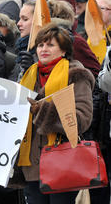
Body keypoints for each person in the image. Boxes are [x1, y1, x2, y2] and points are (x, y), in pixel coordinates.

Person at [19, 22, 95, 204]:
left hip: (63, 163)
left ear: (63, 50)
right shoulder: (29, 74)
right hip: (31, 166)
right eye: (40, 45)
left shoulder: (76, 75)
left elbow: (82, 119)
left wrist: (43, 111)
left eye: (50, 45)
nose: (44, 49)